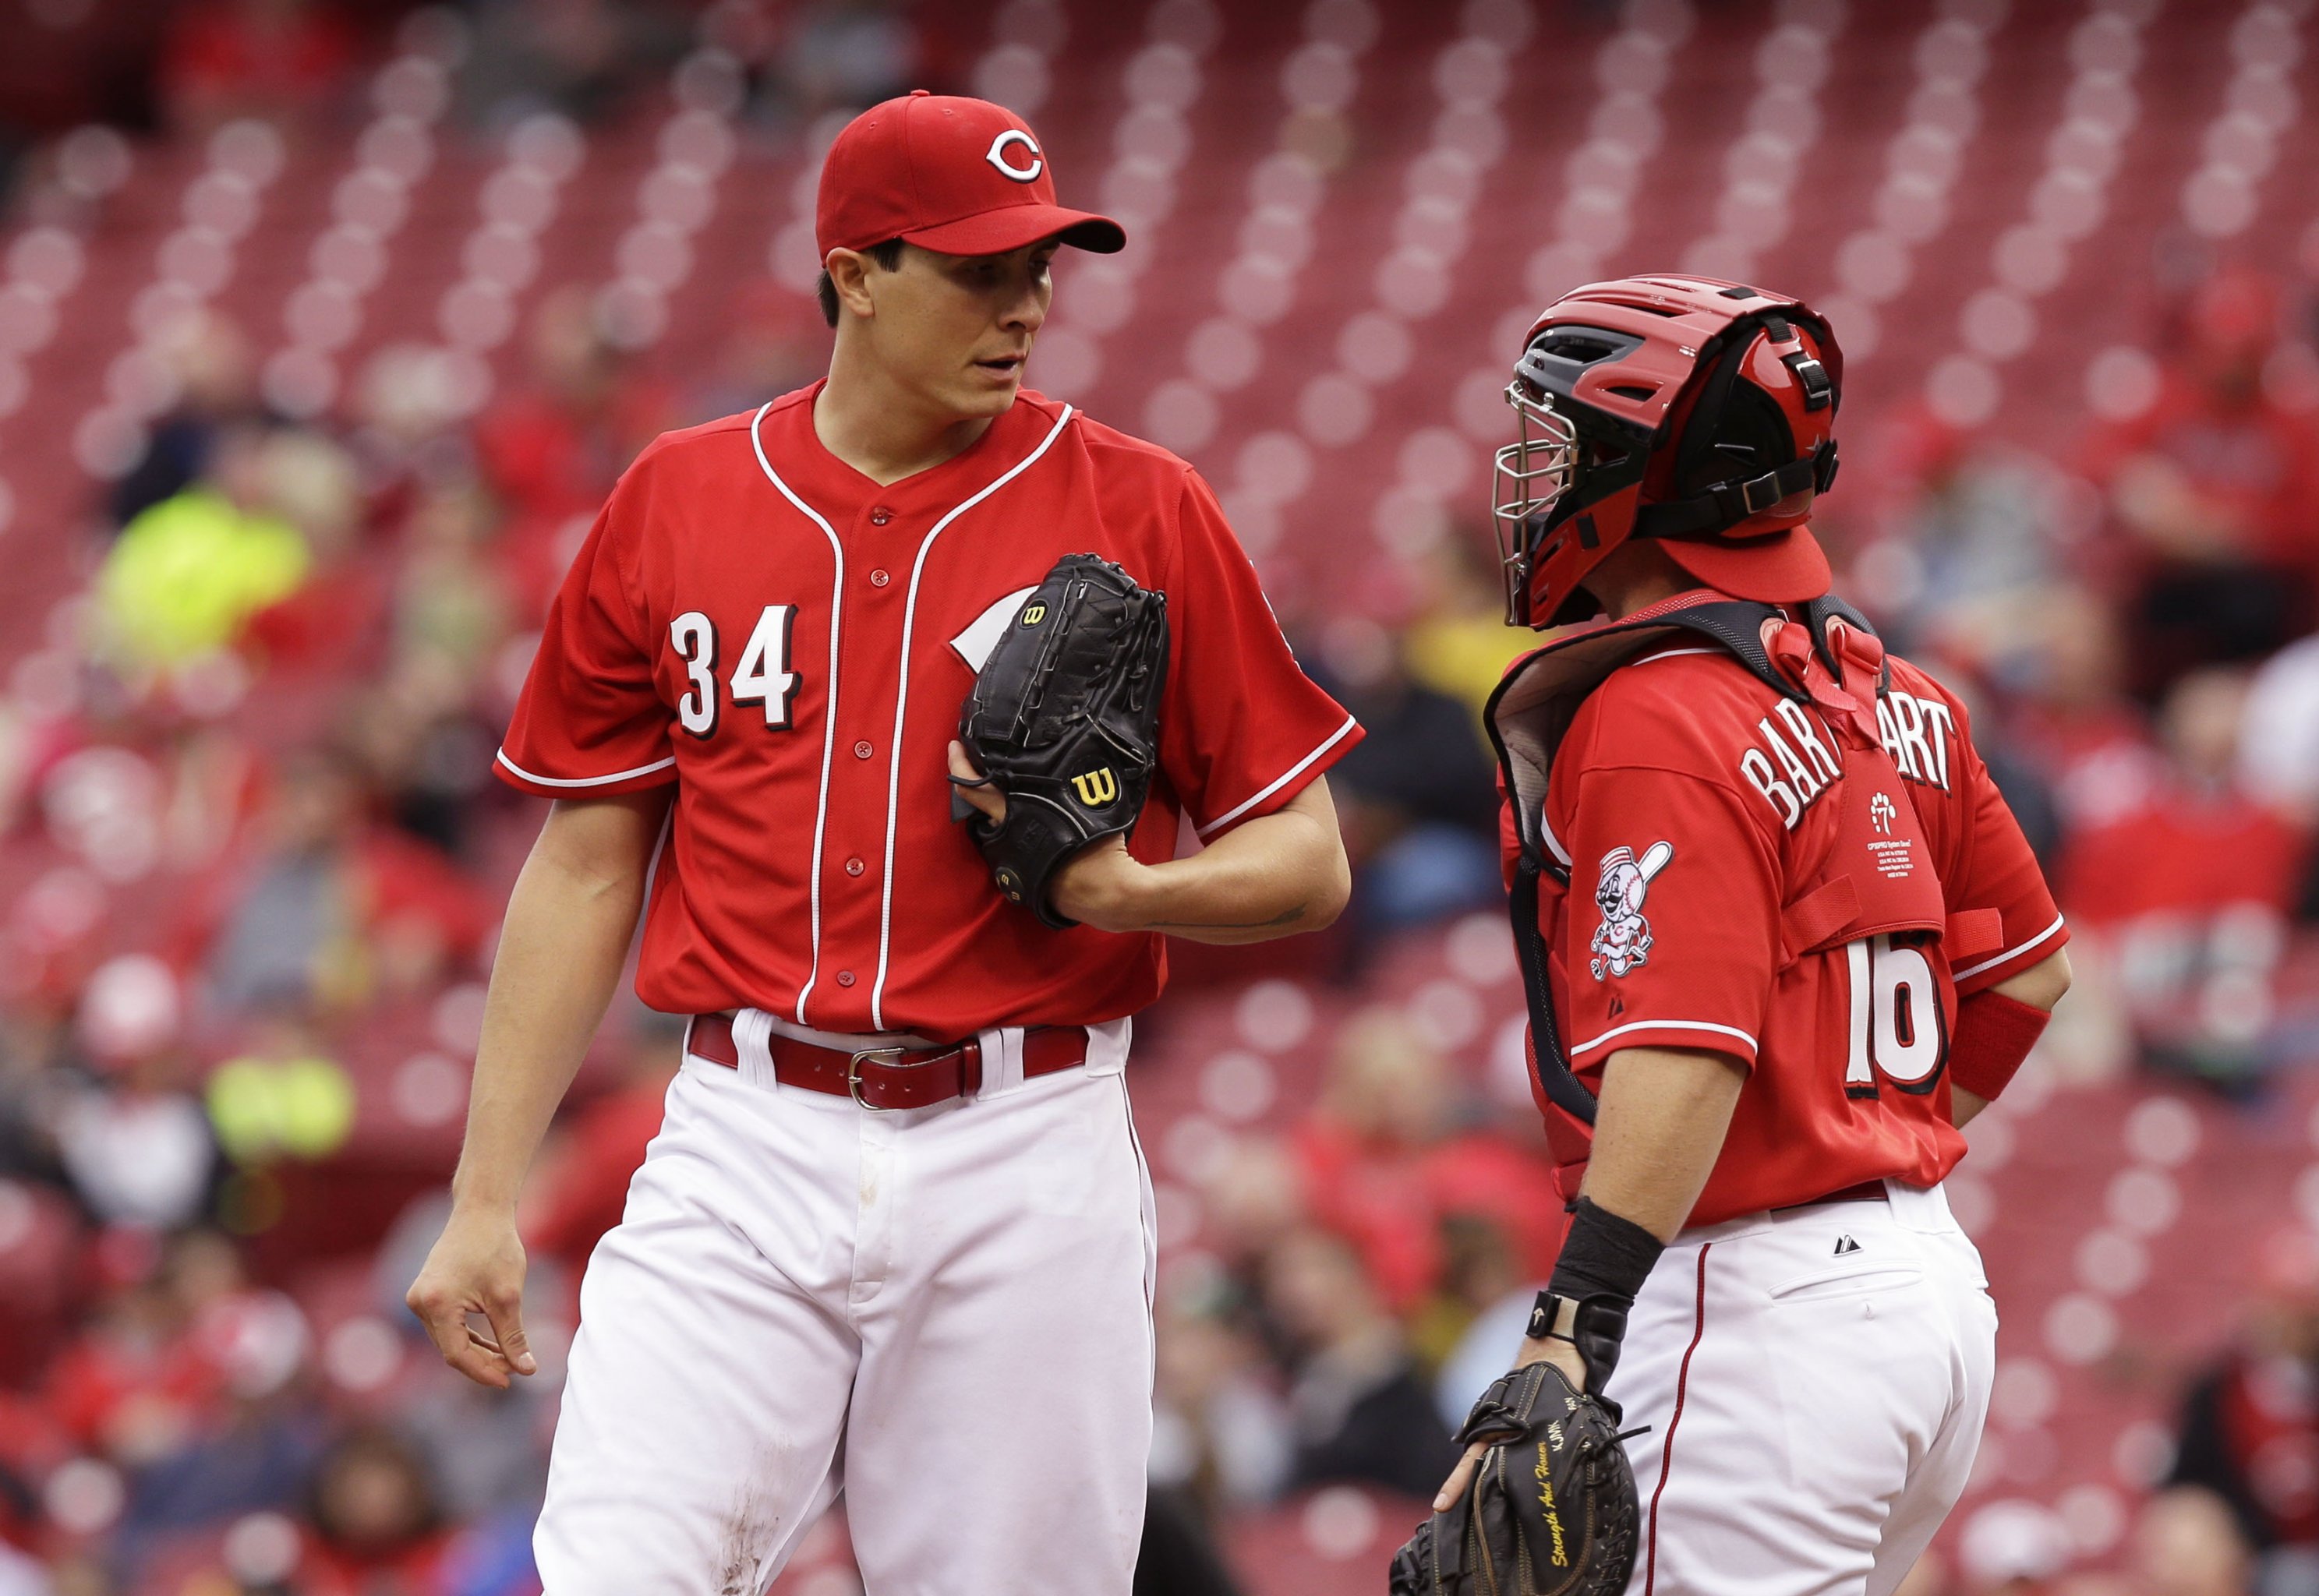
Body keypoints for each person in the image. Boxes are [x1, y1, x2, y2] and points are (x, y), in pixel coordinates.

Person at [403, 91, 1359, 1596]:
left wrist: (1134, 889)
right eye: (981, 270)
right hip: (742, 1132)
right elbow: (587, 863)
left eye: (1043, 268)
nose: (1026, 304)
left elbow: (1310, 860)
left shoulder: (1140, 506)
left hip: (1023, 1144)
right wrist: (482, 1200)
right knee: (612, 1569)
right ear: (854, 272)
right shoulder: (680, 498)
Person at [1433, 276, 2073, 1595]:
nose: (1540, 472)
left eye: (1566, 441)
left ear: (1642, 473)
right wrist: (1867, 1136)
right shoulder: (1901, 695)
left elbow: (1685, 1055)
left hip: (1756, 1307)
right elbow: (2030, 972)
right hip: (1927, 1293)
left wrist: (1570, 1324)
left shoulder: (1656, 714)